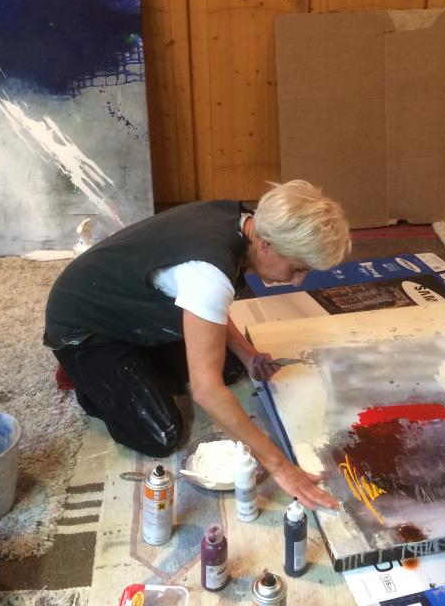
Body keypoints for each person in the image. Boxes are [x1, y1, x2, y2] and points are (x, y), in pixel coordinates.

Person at [44, 180, 350, 509]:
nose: (298, 280)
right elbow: (206, 391)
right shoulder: (209, 271)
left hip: (129, 303)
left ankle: (131, 366)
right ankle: (84, 376)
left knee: (229, 366)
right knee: (160, 434)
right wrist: (281, 467)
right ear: (266, 244)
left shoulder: (246, 221)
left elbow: (208, 304)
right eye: (297, 268)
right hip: (84, 325)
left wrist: (248, 354)